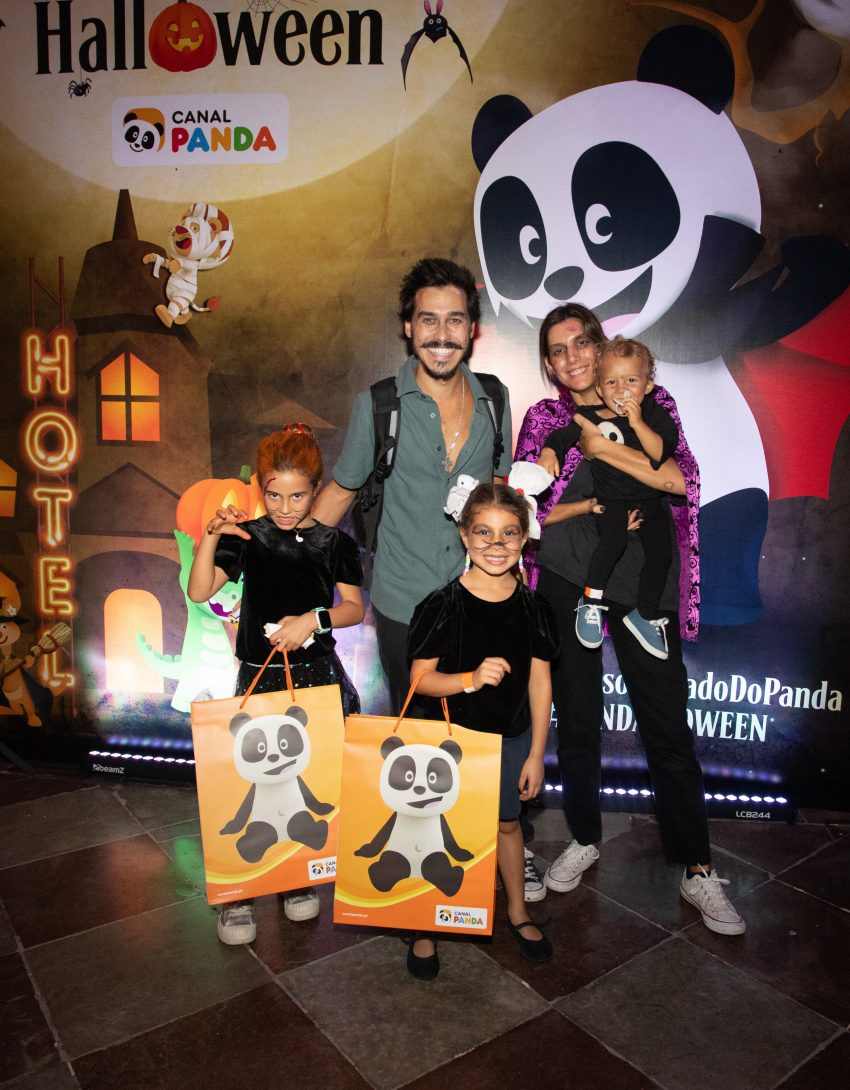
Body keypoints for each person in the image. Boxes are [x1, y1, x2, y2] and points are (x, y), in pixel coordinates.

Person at [515, 304, 746, 936]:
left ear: (600, 345)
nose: (572, 357)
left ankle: (698, 867)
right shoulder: (546, 419)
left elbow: (681, 481)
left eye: (580, 342)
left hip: (645, 581)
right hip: (569, 579)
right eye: (557, 349)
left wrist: (601, 448)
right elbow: (527, 508)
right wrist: (583, 466)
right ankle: (584, 837)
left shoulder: (649, 400)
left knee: (666, 723)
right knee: (578, 718)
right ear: (549, 364)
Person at [188, 423, 365, 945]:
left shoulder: (335, 542)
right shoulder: (248, 537)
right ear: (259, 488)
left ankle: (294, 879)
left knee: (304, 783)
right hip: (258, 677)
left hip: (315, 679)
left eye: (297, 496)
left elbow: (354, 608)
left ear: (316, 489)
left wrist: (314, 619)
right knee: (250, 784)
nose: (285, 508)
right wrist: (213, 534)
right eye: (274, 495)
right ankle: (239, 896)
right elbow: (199, 590)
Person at [312, 258, 512, 715]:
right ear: (408, 327)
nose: (442, 334)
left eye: (454, 319)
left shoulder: (495, 400)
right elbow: (341, 491)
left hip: (479, 598)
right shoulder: (378, 404)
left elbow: (500, 492)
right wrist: (283, 553)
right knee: (414, 729)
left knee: (476, 725)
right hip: (403, 602)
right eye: (428, 319)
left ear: (472, 329)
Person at [406, 482, 558, 978]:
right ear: (464, 536)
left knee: (507, 824)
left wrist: (536, 752)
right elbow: (420, 681)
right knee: (437, 829)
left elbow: (540, 682)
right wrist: (469, 679)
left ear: (524, 539)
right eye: (483, 532)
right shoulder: (442, 605)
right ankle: (425, 923)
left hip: (511, 740)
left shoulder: (534, 607)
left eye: (509, 533)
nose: (496, 544)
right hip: (450, 744)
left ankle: (516, 911)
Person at [538, 336, 679, 660]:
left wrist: (637, 422)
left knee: (661, 556)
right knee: (612, 542)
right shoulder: (590, 416)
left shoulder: (655, 415)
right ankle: (591, 601)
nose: (621, 389)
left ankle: (644, 615)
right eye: (612, 382)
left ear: (647, 385)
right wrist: (549, 451)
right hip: (611, 500)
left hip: (650, 502)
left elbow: (659, 453)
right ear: (600, 388)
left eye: (631, 381)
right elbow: (563, 435)